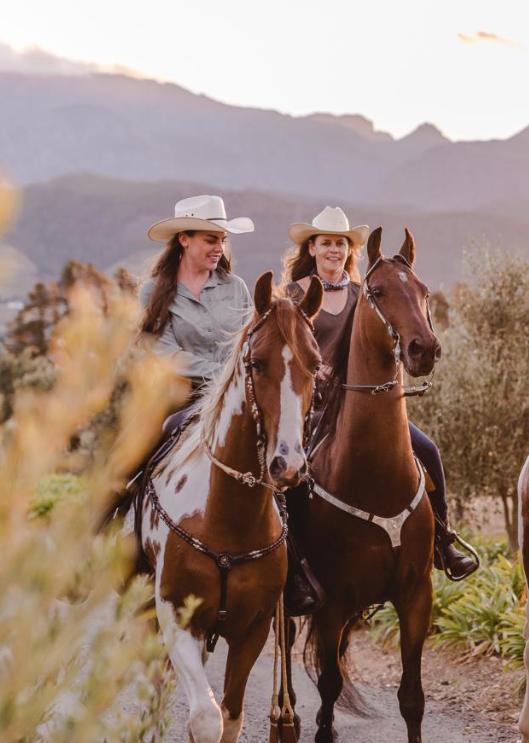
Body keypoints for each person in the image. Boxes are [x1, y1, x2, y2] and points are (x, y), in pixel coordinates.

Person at [282, 206, 480, 597]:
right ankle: (293, 564)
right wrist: (313, 371)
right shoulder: (296, 293)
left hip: (362, 409)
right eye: (326, 243)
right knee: (291, 475)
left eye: (340, 244)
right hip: (315, 407)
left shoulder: (364, 293)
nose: (334, 250)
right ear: (312, 248)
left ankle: (443, 540)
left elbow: (383, 347)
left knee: (428, 450)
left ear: (349, 251)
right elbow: (287, 352)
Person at [139, 194, 256, 428]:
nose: (219, 249)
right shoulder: (153, 292)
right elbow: (167, 355)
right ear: (184, 239)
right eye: (211, 240)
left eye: (223, 240)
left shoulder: (236, 286)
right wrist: (226, 375)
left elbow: (251, 342)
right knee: (134, 457)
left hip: (239, 394)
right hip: (179, 401)